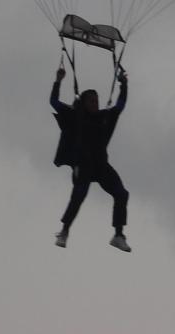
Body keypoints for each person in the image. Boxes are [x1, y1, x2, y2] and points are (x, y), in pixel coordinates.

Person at [50, 64, 131, 251]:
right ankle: (64, 231)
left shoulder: (104, 117)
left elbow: (120, 105)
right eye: (92, 101)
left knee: (121, 194)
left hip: (101, 165)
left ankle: (118, 235)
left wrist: (124, 84)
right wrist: (58, 81)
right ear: (84, 103)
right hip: (83, 165)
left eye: (97, 100)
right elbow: (53, 102)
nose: (95, 104)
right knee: (79, 194)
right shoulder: (74, 116)